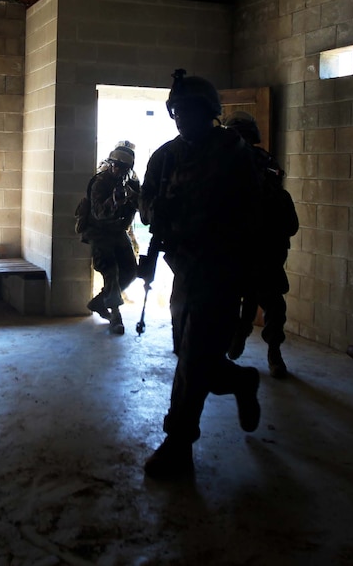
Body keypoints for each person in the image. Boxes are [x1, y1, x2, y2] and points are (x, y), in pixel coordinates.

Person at [139, 70, 264, 480]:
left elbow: (252, 213)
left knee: (194, 358)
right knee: (194, 357)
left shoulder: (233, 152)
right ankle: (242, 381)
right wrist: (161, 220)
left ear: (208, 112)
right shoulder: (165, 156)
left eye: (190, 111)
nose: (181, 119)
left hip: (221, 270)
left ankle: (179, 444)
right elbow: (146, 208)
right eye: (177, 111)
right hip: (185, 271)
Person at [222, 111, 299, 378]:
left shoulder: (263, 162)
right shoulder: (224, 163)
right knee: (236, 303)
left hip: (264, 249)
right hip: (239, 249)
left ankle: (272, 350)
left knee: (272, 305)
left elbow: (285, 216)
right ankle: (240, 337)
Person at [81, 141, 140, 335]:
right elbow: (98, 213)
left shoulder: (131, 183)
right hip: (99, 231)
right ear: (110, 163)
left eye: (123, 168)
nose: (118, 171)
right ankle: (116, 316)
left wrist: (133, 197)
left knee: (131, 271)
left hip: (117, 232)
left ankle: (99, 302)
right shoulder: (100, 182)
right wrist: (113, 201)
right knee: (111, 272)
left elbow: (142, 208)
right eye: (115, 165)